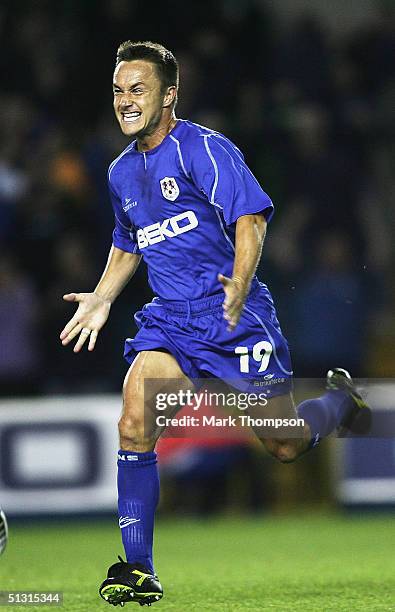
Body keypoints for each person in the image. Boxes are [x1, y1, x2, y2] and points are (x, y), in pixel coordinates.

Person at [60, 41, 370, 607]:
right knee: (134, 422)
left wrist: (243, 282)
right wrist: (103, 298)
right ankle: (138, 570)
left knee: (283, 444)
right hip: (170, 324)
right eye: (118, 91)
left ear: (169, 94)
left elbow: (249, 219)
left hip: (234, 320)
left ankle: (338, 403)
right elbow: (129, 241)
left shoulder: (203, 149)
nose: (126, 102)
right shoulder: (120, 172)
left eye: (138, 90)